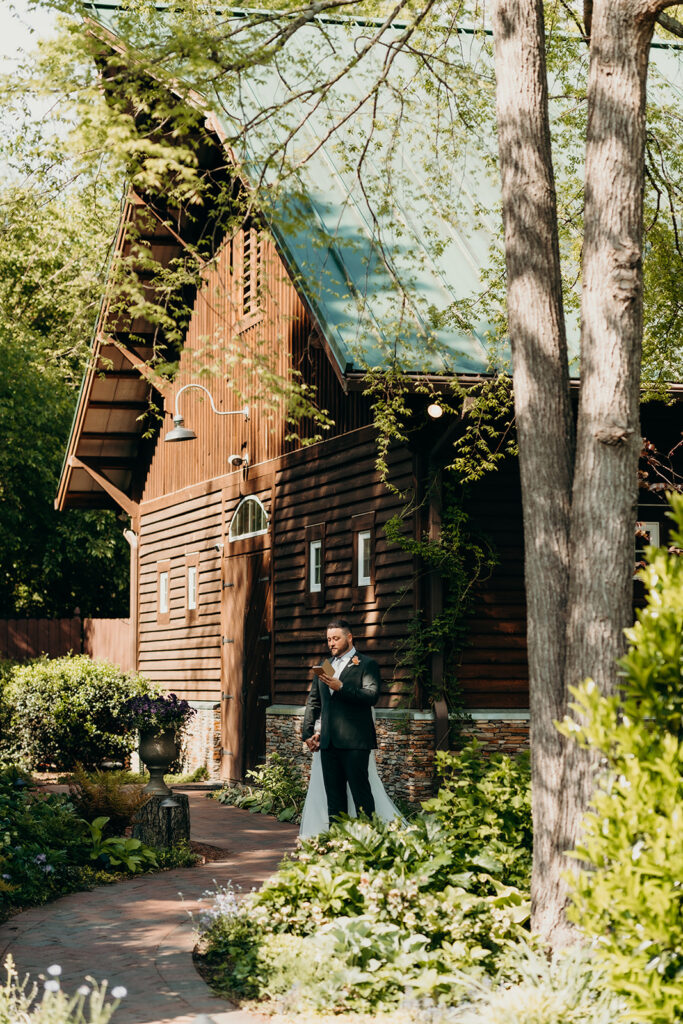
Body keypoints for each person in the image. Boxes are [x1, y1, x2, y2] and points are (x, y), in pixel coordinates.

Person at [301, 619, 384, 828]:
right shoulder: (325, 666)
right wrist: (308, 733)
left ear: (349, 638)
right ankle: (337, 846)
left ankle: (370, 840)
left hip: (355, 743)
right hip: (328, 744)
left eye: (336, 638)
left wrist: (341, 687)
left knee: (361, 796)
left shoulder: (366, 664)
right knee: (334, 800)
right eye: (329, 639)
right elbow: (314, 701)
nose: (331, 643)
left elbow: (371, 696)